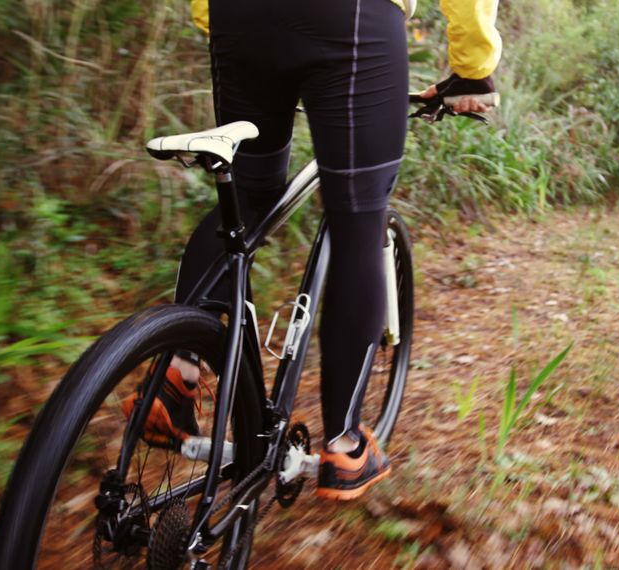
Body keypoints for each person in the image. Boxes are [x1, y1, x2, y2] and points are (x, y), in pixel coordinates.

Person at [124, 0, 502, 501]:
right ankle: (345, 444)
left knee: (249, 197)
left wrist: (214, 16)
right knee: (359, 216)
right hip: (352, 20)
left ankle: (176, 374)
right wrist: (473, 69)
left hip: (239, 20)